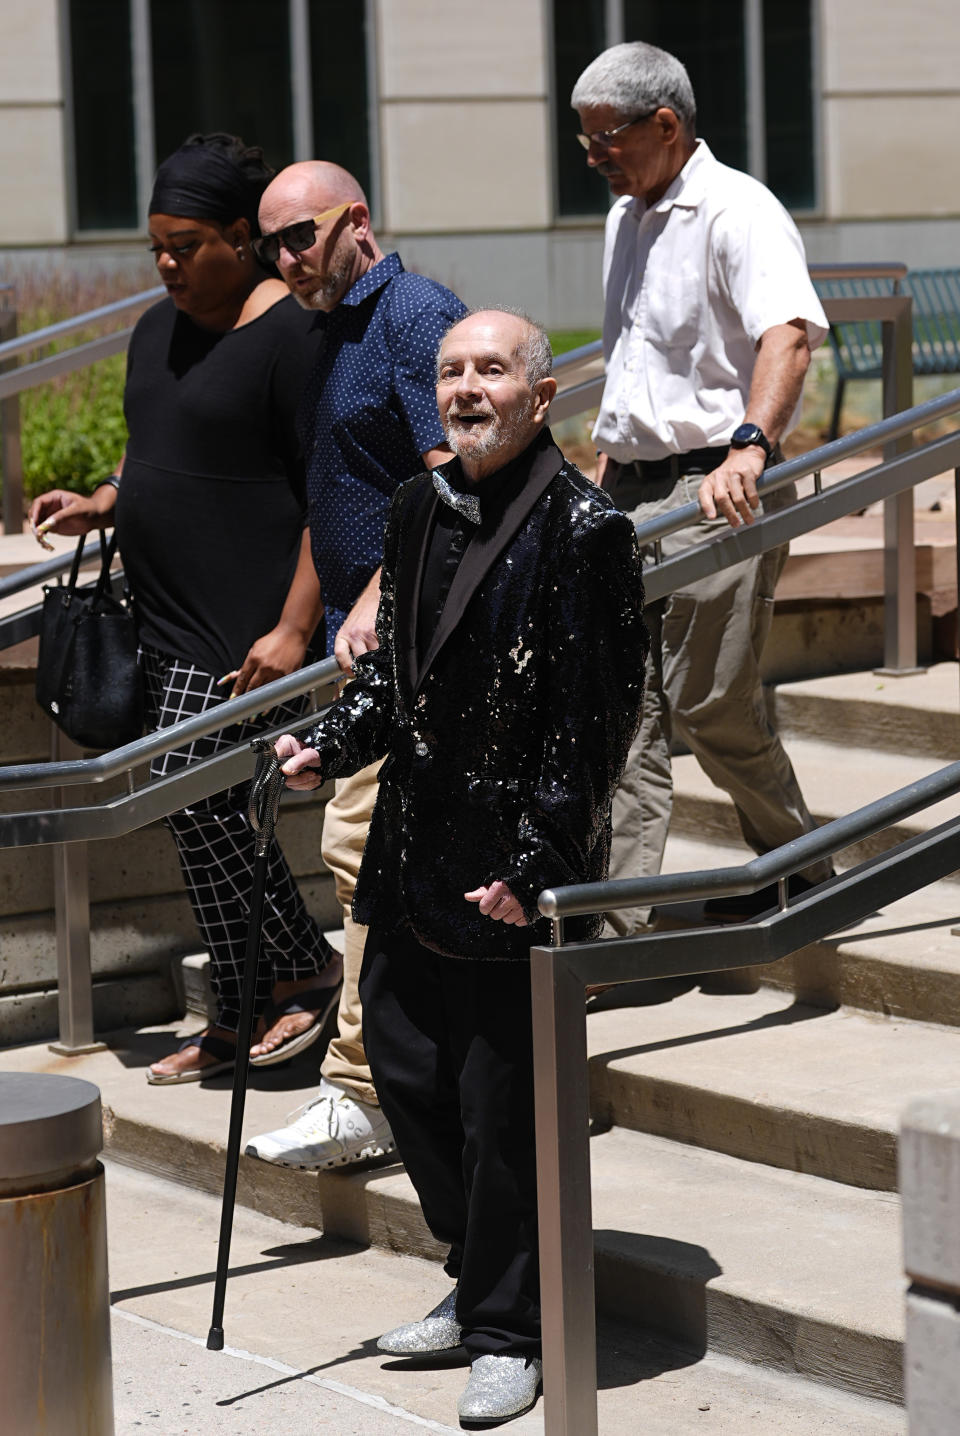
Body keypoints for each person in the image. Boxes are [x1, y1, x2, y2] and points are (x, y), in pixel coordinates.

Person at [267, 308, 648, 1423]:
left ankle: (510, 1328)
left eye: (492, 369)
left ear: (540, 396)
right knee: (405, 1070)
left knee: (498, 1104)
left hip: (509, 870)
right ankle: (471, 1275)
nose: (467, 386)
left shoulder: (586, 528)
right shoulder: (418, 505)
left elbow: (593, 720)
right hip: (413, 848)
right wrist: (327, 745)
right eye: (451, 370)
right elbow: (394, 674)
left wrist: (538, 859)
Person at [28, 133, 341, 1082]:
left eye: (187, 245)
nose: (167, 264)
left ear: (241, 237)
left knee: (199, 800)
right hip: (160, 617)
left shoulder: (292, 337)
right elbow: (155, 442)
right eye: (156, 247)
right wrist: (106, 500)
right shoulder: (157, 327)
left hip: (246, 630)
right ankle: (242, 1009)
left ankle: (302, 970)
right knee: (190, 808)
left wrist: (293, 628)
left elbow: (330, 495)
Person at [571, 41, 834, 932]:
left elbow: (788, 336)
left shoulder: (737, 210)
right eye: (583, 138)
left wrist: (751, 448)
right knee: (623, 710)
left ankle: (800, 861)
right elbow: (637, 366)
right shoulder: (624, 219)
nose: (593, 153)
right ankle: (621, 917)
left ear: (666, 124)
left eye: (606, 136)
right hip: (629, 491)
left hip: (717, 485)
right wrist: (604, 478)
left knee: (707, 700)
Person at [244, 162, 466, 1170]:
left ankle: (360, 1088)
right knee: (375, 856)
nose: (289, 259)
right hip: (360, 636)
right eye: (273, 245)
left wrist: (379, 596)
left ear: (358, 221)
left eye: (304, 236)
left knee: (356, 845)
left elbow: (456, 477)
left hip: (407, 636)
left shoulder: (414, 314)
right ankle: (408, 1071)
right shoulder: (332, 328)